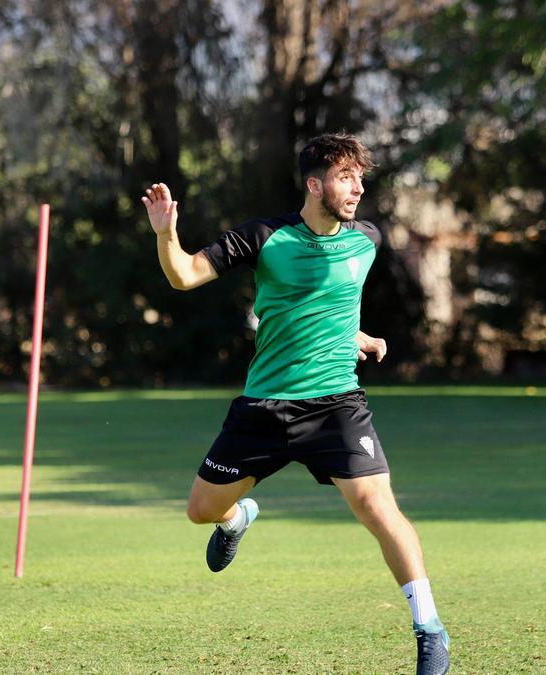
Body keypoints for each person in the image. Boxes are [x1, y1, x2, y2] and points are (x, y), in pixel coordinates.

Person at [140, 133, 449, 675]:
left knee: (379, 507)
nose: (357, 188)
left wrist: (358, 338)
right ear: (314, 184)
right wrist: (167, 235)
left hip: (336, 406)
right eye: (345, 177)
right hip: (263, 407)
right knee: (200, 512)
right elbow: (183, 275)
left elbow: (331, 303)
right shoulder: (264, 237)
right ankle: (236, 521)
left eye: (360, 178)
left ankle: (429, 630)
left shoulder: (367, 240)